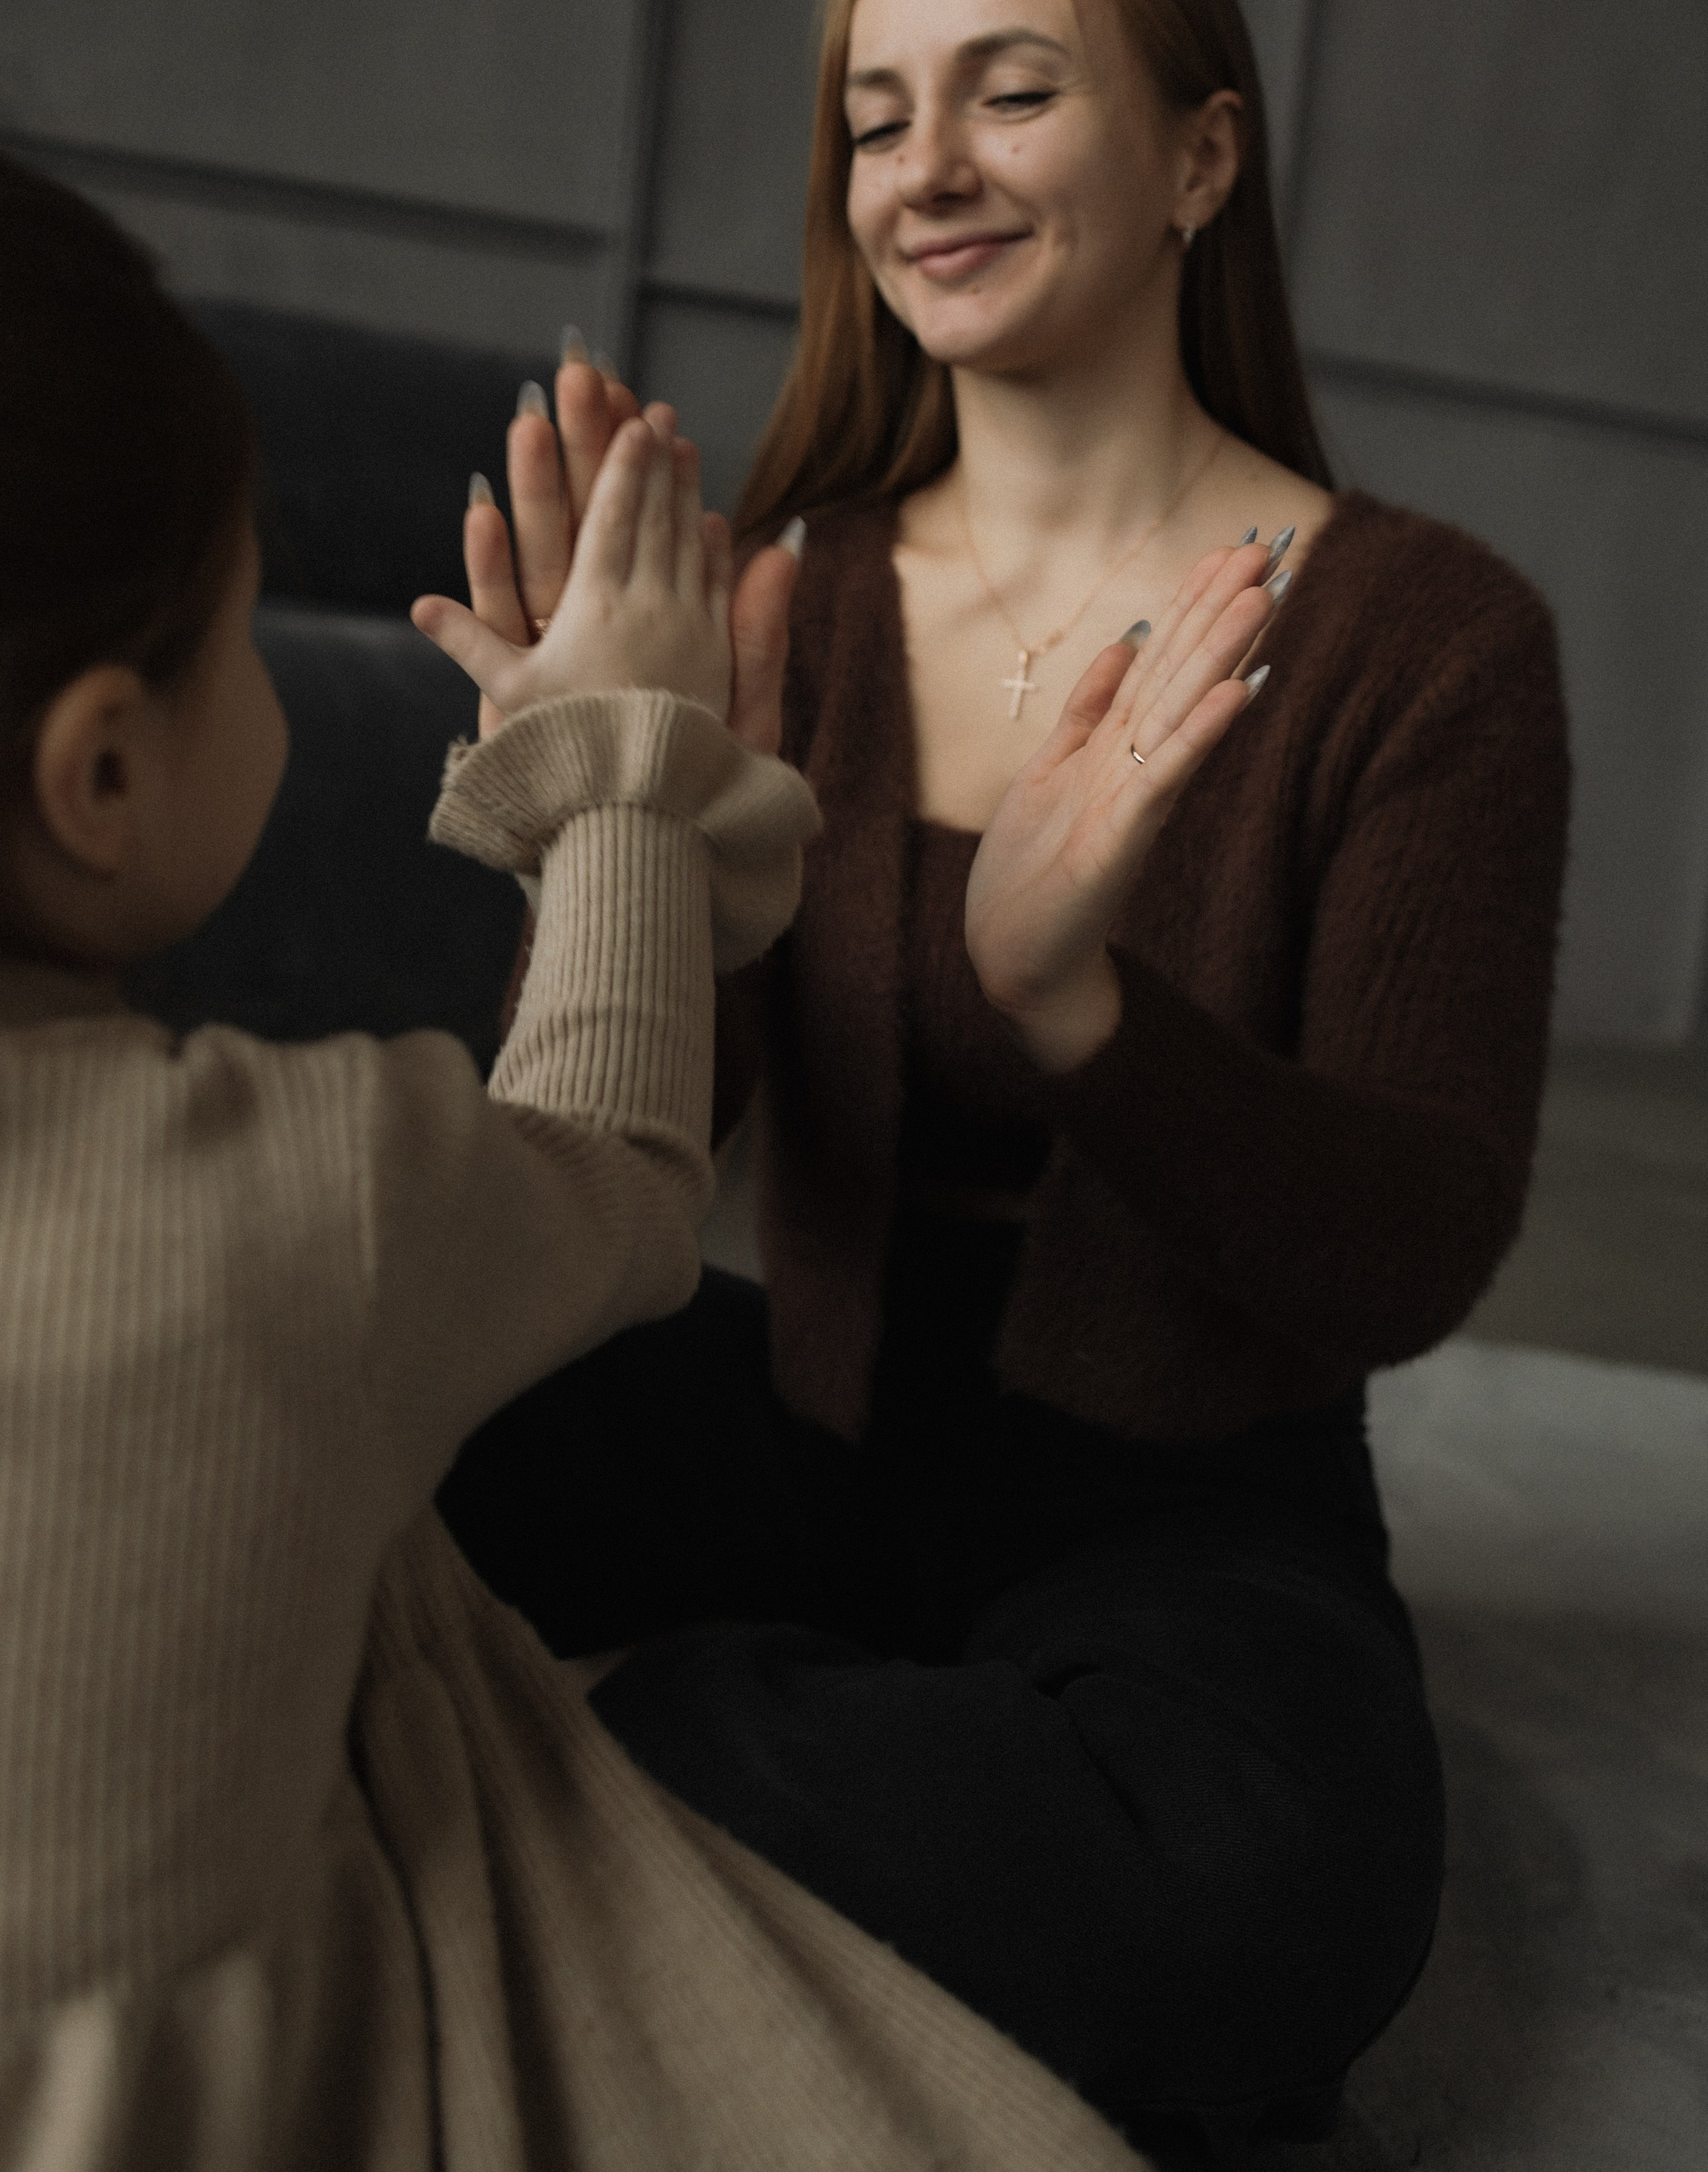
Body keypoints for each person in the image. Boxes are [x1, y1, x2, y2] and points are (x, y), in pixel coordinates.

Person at [440, 0, 1571, 2163]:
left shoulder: (1427, 643)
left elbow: (1415, 1243)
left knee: (1271, 1902)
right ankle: (716, 1776)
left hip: (1189, 1496)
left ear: (1199, 156)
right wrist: (620, 826)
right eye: (876, 116)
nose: (924, 170)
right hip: (805, 1413)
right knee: (308, 1415)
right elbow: (644, 1165)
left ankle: (626, 1767)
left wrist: (1078, 1009)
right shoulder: (810, 587)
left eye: (1009, 93)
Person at [0, 153, 1173, 2172]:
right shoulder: (303, 1191)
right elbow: (615, 1173)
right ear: (103, 774)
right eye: (252, 623)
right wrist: (627, 763)